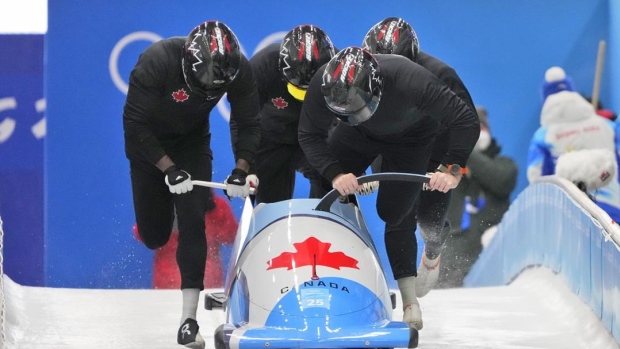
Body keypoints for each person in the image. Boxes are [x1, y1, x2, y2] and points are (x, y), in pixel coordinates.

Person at [298, 47, 479, 330]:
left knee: (392, 213)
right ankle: (329, 279)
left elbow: (465, 119)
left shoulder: (411, 79)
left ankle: (416, 285)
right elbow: (309, 134)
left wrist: (452, 169)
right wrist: (336, 175)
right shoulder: (325, 82)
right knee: (323, 185)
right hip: (357, 135)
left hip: (411, 139)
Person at [122, 21, 260, 349]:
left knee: (193, 219)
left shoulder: (238, 68)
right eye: (206, 81)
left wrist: (241, 169)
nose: (212, 89)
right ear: (189, 63)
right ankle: (162, 205)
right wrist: (167, 169)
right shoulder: (157, 62)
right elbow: (134, 125)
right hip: (148, 146)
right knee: (155, 236)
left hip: (191, 144)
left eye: (218, 84)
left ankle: (189, 321)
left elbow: (248, 121)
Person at [362, 17, 479, 299]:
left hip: (434, 150)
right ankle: (408, 294)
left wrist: (450, 168)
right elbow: (352, 122)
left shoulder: (442, 74)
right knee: (400, 215)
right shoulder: (360, 72)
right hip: (393, 144)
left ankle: (433, 249)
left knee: (429, 220)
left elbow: (466, 122)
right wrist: (362, 168)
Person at [247, 24, 336, 203]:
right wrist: (246, 166)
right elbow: (244, 120)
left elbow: (348, 122)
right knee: (270, 204)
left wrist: (353, 166)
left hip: (316, 139)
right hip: (272, 141)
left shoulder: (340, 70)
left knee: (332, 181)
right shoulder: (263, 65)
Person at [437, 106, 518, 288]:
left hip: (494, 261)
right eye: (468, 130)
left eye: (480, 128)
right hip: (451, 267)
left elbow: (502, 181)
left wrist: (466, 152)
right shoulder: (445, 171)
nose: (476, 134)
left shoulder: (505, 165)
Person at [527, 66, 620, 222]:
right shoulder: (607, 126)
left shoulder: (542, 137)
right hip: (615, 209)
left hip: (570, 216)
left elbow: (538, 180)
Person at [132, 189, 239, 289]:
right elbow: (142, 234)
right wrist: (162, 213)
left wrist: (213, 213)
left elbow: (231, 237)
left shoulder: (217, 205)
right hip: (167, 284)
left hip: (207, 283)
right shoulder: (162, 204)